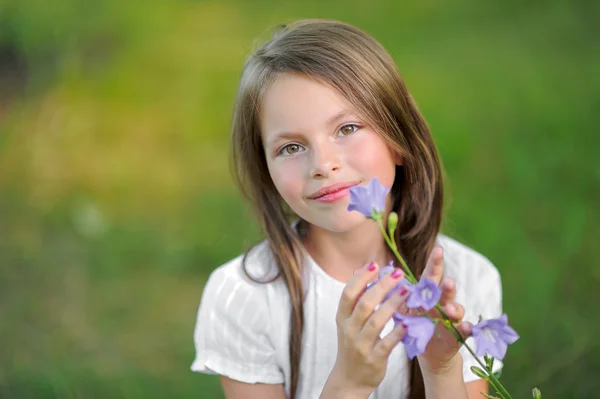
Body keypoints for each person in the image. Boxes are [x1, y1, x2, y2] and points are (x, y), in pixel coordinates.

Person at [191, 19, 503, 399]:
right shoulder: (242, 297)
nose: (323, 163)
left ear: (399, 140)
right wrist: (349, 384)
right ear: (266, 170)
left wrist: (442, 369)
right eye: (291, 147)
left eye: (348, 128)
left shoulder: (467, 279)